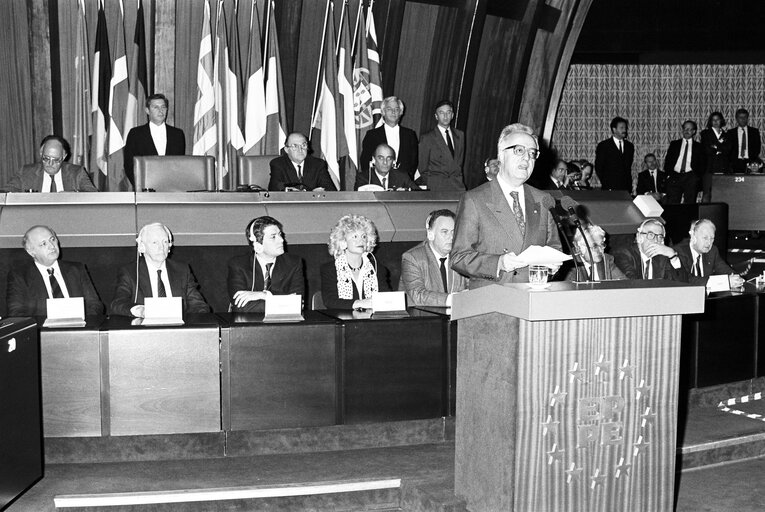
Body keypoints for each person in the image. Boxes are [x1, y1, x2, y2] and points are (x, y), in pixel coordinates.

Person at [450, 123, 561, 288]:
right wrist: (498, 263)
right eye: (519, 150)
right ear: (501, 155)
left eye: (532, 153)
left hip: (533, 302)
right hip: (493, 304)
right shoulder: (474, 200)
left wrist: (553, 265)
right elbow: (458, 257)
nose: (527, 158)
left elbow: (554, 247)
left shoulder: (543, 199)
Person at [110, 223, 209, 317]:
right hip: (145, 331)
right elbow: (118, 303)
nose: (161, 247)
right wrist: (140, 310)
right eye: (154, 242)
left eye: (165, 242)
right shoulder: (130, 272)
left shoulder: (182, 270)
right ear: (142, 247)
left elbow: (198, 305)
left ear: (169, 246)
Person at [6, 225, 103, 316]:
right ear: (31, 251)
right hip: (42, 331)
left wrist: (82, 323)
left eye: (52, 239)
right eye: (43, 244)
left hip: (78, 330)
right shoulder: (20, 276)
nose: (52, 246)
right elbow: (16, 312)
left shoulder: (76, 269)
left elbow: (95, 305)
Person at [227, 216, 305, 313]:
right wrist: (283, 302)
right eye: (273, 237)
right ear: (258, 245)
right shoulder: (239, 265)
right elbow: (240, 307)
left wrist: (264, 295)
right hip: (249, 325)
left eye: (280, 234)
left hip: (284, 324)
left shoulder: (294, 263)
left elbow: (297, 304)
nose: (281, 240)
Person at [399, 209, 468, 307]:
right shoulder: (412, 258)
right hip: (423, 318)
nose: (451, 237)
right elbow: (418, 295)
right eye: (444, 232)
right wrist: (453, 299)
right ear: (430, 234)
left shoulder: (461, 256)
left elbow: (473, 286)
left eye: (454, 232)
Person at [320, 214, 390, 309]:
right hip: (343, 321)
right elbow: (330, 301)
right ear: (343, 242)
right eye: (355, 237)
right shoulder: (329, 269)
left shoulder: (378, 269)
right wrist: (359, 303)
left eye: (364, 237)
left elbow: (386, 299)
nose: (361, 241)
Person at [124, 94, 186, 187]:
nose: (160, 111)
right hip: (145, 191)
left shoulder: (177, 134)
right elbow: (129, 165)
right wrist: (141, 186)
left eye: (163, 107)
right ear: (147, 110)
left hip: (172, 190)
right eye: (156, 107)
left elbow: (179, 165)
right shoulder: (135, 134)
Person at [5, 135, 97, 192]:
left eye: (56, 160)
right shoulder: (26, 173)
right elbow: (5, 193)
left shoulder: (77, 173)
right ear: (41, 153)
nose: (50, 163)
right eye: (46, 158)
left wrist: (73, 195)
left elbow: (92, 195)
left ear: (64, 157)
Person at [359, 96, 419, 181]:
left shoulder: (410, 135)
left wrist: (404, 180)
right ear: (383, 112)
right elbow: (365, 161)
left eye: (396, 109)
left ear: (401, 112)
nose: (393, 112)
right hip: (377, 183)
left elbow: (413, 162)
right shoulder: (372, 135)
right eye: (389, 109)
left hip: (403, 184)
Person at [674, 219, 744, 288]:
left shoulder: (712, 251)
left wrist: (736, 278)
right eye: (705, 238)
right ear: (693, 237)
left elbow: (725, 270)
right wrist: (725, 282)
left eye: (712, 238)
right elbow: (687, 280)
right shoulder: (679, 251)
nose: (709, 243)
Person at [612, 218, 688, 281]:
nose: (655, 240)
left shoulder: (663, 257)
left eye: (659, 237)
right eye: (650, 235)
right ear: (639, 237)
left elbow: (683, 283)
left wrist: (673, 256)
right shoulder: (623, 254)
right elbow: (632, 283)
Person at [417, 100, 466, 191]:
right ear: (436, 116)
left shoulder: (460, 135)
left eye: (448, 112)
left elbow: (459, 163)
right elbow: (422, 168)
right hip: (437, 188)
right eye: (441, 113)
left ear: (452, 115)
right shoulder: (427, 138)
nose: (445, 116)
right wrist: (432, 183)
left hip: (457, 186)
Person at [268, 132, 336, 191]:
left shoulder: (318, 164)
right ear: (286, 149)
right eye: (295, 146)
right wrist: (288, 190)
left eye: (303, 145)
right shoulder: (278, 164)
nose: (300, 150)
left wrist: (321, 192)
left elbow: (330, 189)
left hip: (312, 204)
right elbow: (274, 188)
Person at [664, 120, 704, 204]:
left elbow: (702, 164)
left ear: (694, 131)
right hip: (675, 176)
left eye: (689, 129)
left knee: (689, 204)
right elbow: (668, 160)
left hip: (690, 177)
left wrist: (697, 177)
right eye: (685, 129)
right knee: (672, 203)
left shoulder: (699, 147)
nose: (687, 131)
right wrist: (669, 175)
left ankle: (689, 218)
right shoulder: (674, 144)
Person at [594, 116, 634, 193]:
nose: (624, 130)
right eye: (621, 128)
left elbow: (628, 167)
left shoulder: (630, 146)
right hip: (609, 188)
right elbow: (599, 167)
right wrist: (606, 182)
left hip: (626, 188)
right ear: (614, 129)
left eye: (625, 128)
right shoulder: (604, 146)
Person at [354, 144, 418, 190]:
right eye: (381, 158)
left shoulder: (402, 176)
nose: (385, 162)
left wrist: (405, 194)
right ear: (373, 160)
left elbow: (420, 194)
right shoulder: (363, 178)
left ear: (393, 161)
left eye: (389, 158)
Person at [699, 111, 731, 201]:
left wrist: (715, 146)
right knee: (707, 194)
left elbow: (728, 149)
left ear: (721, 121)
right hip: (709, 167)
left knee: (722, 193)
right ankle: (705, 215)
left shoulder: (727, 134)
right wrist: (720, 146)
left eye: (718, 119)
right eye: (713, 120)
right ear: (710, 121)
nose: (716, 121)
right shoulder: (705, 133)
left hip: (723, 167)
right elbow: (707, 150)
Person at [728, 108, 761, 173]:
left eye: (745, 117)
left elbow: (757, 147)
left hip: (750, 163)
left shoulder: (754, 132)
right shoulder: (730, 133)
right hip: (735, 162)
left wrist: (752, 160)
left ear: (747, 118)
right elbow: (729, 149)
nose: (743, 119)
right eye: (740, 117)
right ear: (736, 119)